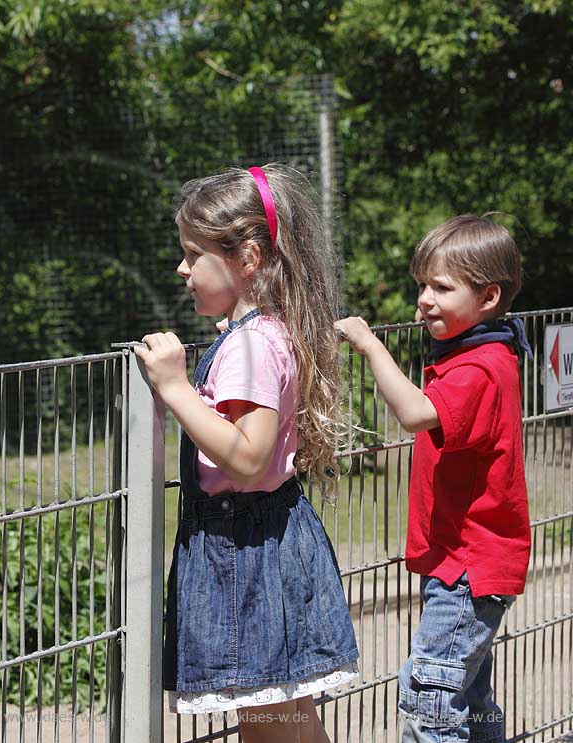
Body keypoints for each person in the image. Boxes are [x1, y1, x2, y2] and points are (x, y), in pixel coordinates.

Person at [135, 165, 358, 742]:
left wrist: (175, 387)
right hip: (269, 542)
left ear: (248, 259)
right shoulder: (269, 333)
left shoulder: (251, 347)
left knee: (269, 729)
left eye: (192, 254)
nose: (181, 270)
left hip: (245, 556)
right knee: (290, 722)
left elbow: (249, 457)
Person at [336, 215, 531, 743]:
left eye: (441, 287)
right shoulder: (483, 352)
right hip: (462, 563)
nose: (424, 299)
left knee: (430, 699)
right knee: (468, 698)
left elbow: (417, 413)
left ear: (489, 297)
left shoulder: (479, 368)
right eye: (422, 284)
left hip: (469, 570)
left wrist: (371, 346)